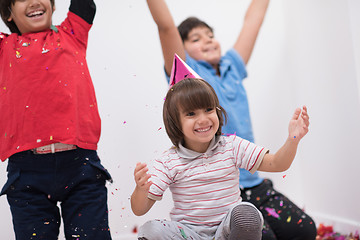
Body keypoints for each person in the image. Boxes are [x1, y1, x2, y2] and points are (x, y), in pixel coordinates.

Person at [145, 0, 317, 239]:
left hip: (254, 184)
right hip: (221, 194)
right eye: (196, 39)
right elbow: (166, 27)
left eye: (210, 35)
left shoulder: (232, 66)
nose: (207, 40)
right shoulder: (188, 76)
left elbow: (253, 22)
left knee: (304, 229)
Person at [131, 77, 310, 240]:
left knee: (247, 213)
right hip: (188, 234)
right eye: (191, 114)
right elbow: (140, 210)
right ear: (175, 122)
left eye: (209, 110)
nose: (203, 119)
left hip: (227, 232)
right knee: (150, 230)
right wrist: (141, 189)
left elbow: (277, 163)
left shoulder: (232, 146)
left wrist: (293, 139)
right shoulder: (169, 161)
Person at [0, 0, 112, 239]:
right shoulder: (3, 48)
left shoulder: (72, 33)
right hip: (26, 173)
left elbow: (85, 5)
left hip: (81, 166)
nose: (33, 2)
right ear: (8, 12)